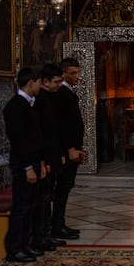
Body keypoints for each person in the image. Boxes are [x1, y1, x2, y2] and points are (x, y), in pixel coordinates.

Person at [3, 67, 46, 262]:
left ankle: (25, 245)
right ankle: (14, 249)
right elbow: (19, 141)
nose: (40, 86)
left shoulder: (29, 104)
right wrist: (28, 167)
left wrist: (41, 163)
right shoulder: (16, 106)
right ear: (31, 83)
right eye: (39, 82)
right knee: (21, 208)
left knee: (30, 206)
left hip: (34, 162)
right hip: (23, 165)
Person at [32, 63, 67, 251]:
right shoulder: (40, 101)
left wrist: (59, 154)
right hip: (44, 158)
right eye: (56, 82)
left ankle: (46, 234)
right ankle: (41, 236)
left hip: (53, 156)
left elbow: (55, 131)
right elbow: (42, 134)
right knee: (43, 199)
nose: (59, 85)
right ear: (45, 81)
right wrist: (45, 160)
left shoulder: (51, 99)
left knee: (48, 197)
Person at [51, 57, 85, 240]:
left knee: (67, 186)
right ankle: (56, 226)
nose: (77, 76)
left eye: (78, 72)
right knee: (62, 187)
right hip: (67, 149)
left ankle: (60, 224)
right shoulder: (61, 94)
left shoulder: (69, 92)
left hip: (73, 148)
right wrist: (71, 148)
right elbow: (63, 125)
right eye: (73, 73)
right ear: (63, 74)